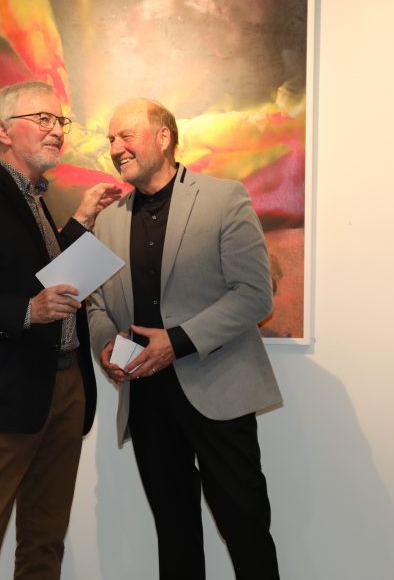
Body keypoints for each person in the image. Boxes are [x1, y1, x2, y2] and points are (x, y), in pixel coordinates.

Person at [0, 81, 120, 580]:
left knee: (44, 541)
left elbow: (42, 274)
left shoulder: (35, 198)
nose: (57, 131)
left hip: (64, 386)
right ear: (3, 131)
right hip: (3, 394)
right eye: (43, 119)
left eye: (60, 121)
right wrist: (26, 311)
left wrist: (81, 220)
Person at [87, 98, 284, 580]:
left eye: (125, 135)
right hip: (147, 397)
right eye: (111, 139)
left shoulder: (224, 197)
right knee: (174, 535)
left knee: (245, 528)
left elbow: (255, 295)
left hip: (219, 390)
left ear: (163, 137)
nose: (116, 147)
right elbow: (93, 303)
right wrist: (105, 342)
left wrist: (176, 341)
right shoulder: (107, 220)